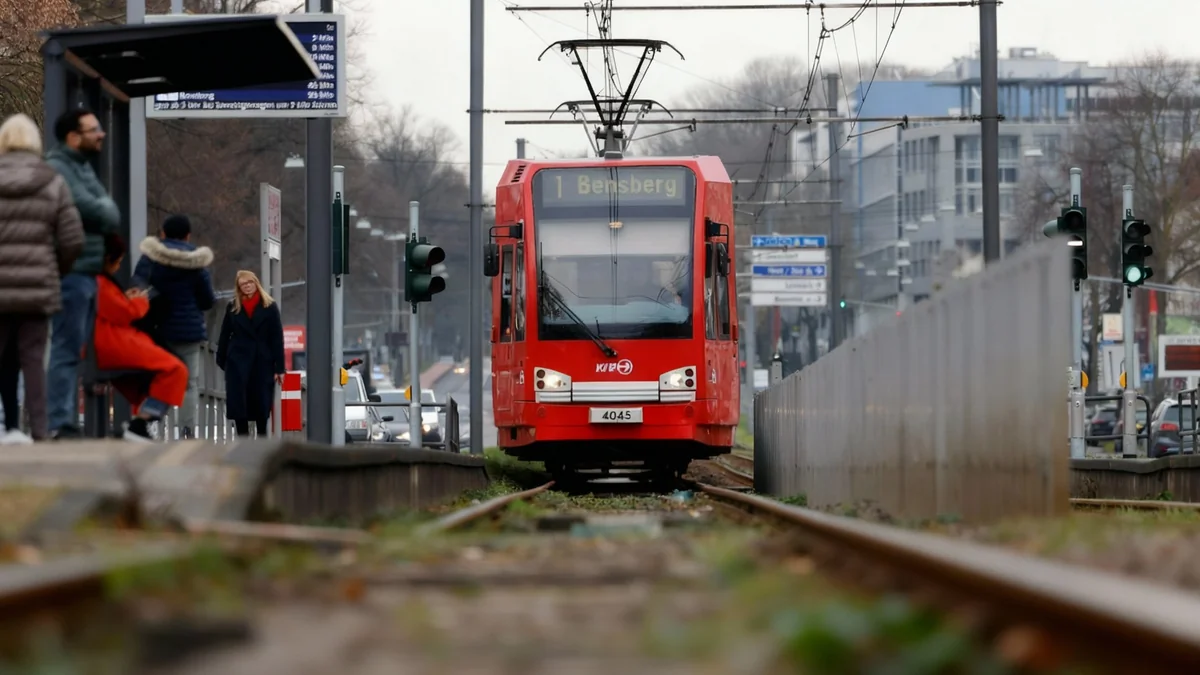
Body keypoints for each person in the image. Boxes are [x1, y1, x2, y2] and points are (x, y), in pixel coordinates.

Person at [0, 113, 85, 444]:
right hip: (37, 289)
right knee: (33, 359)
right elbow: (73, 239)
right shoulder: (52, 181)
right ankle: (38, 431)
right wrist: (55, 269)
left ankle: (7, 428)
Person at [45, 108, 121, 440]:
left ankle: (62, 419)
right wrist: (103, 212)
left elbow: (108, 211)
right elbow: (93, 209)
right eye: (93, 130)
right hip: (71, 271)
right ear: (73, 137)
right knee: (65, 346)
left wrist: (104, 212)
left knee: (74, 347)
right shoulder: (60, 168)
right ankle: (58, 421)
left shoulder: (81, 167)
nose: (101, 134)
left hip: (87, 273)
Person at [94, 235, 188, 441]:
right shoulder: (100, 282)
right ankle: (142, 422)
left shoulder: (95, 281)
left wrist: (128, 298)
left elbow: (114, 307)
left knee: (151, 377)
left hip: (106, 340)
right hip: (112, 343)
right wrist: (140, 301)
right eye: (117, 263)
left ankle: (141, 421)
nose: (118, 268)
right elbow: (124, 312)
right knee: (176, 369)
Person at [131, 214, 216, 439]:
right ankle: (187, 431)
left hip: (158, 328)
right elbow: (208, 300)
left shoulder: (150, 257)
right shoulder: (197, 262)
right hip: (189, 331)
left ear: (163, 233)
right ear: (188, 236)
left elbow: (137, 287)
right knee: (189, 384)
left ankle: (146, 423)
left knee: (158, 377)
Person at [216, 270, 285, 437]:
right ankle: (243, 445)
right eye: (243, 284)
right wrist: (224, 360)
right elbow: (225, 335)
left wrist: (280, 368)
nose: (247, 287)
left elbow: (277, 338)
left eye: (249, 283)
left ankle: (260, 446)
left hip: (262, 362)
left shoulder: (269, 306)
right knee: (240, 408)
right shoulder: (233, 307)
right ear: (239, 287)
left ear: (256, 283)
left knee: (261, 408)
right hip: (237, 363)